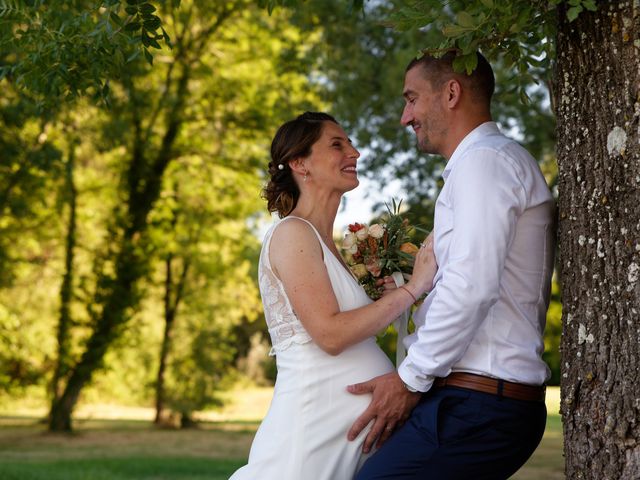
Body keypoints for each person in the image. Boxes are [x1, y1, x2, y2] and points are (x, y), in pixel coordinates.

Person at [348, 51, 556, 480]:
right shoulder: (475, 168)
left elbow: (471, 286)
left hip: (481, 405)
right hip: (468, 400)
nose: (405, 117)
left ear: (452, 93)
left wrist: (409, 379)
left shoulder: (486, 163)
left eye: (411, 99)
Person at [229, 111, 437, 480]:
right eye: (337, 145)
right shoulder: (293, 233)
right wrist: (413, 287)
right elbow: (330, 334)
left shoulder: (330, 244)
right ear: (299, 163)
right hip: (312, 433)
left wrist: (386, 299)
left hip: (344, 435)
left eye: (351, 143)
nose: (354, 152)